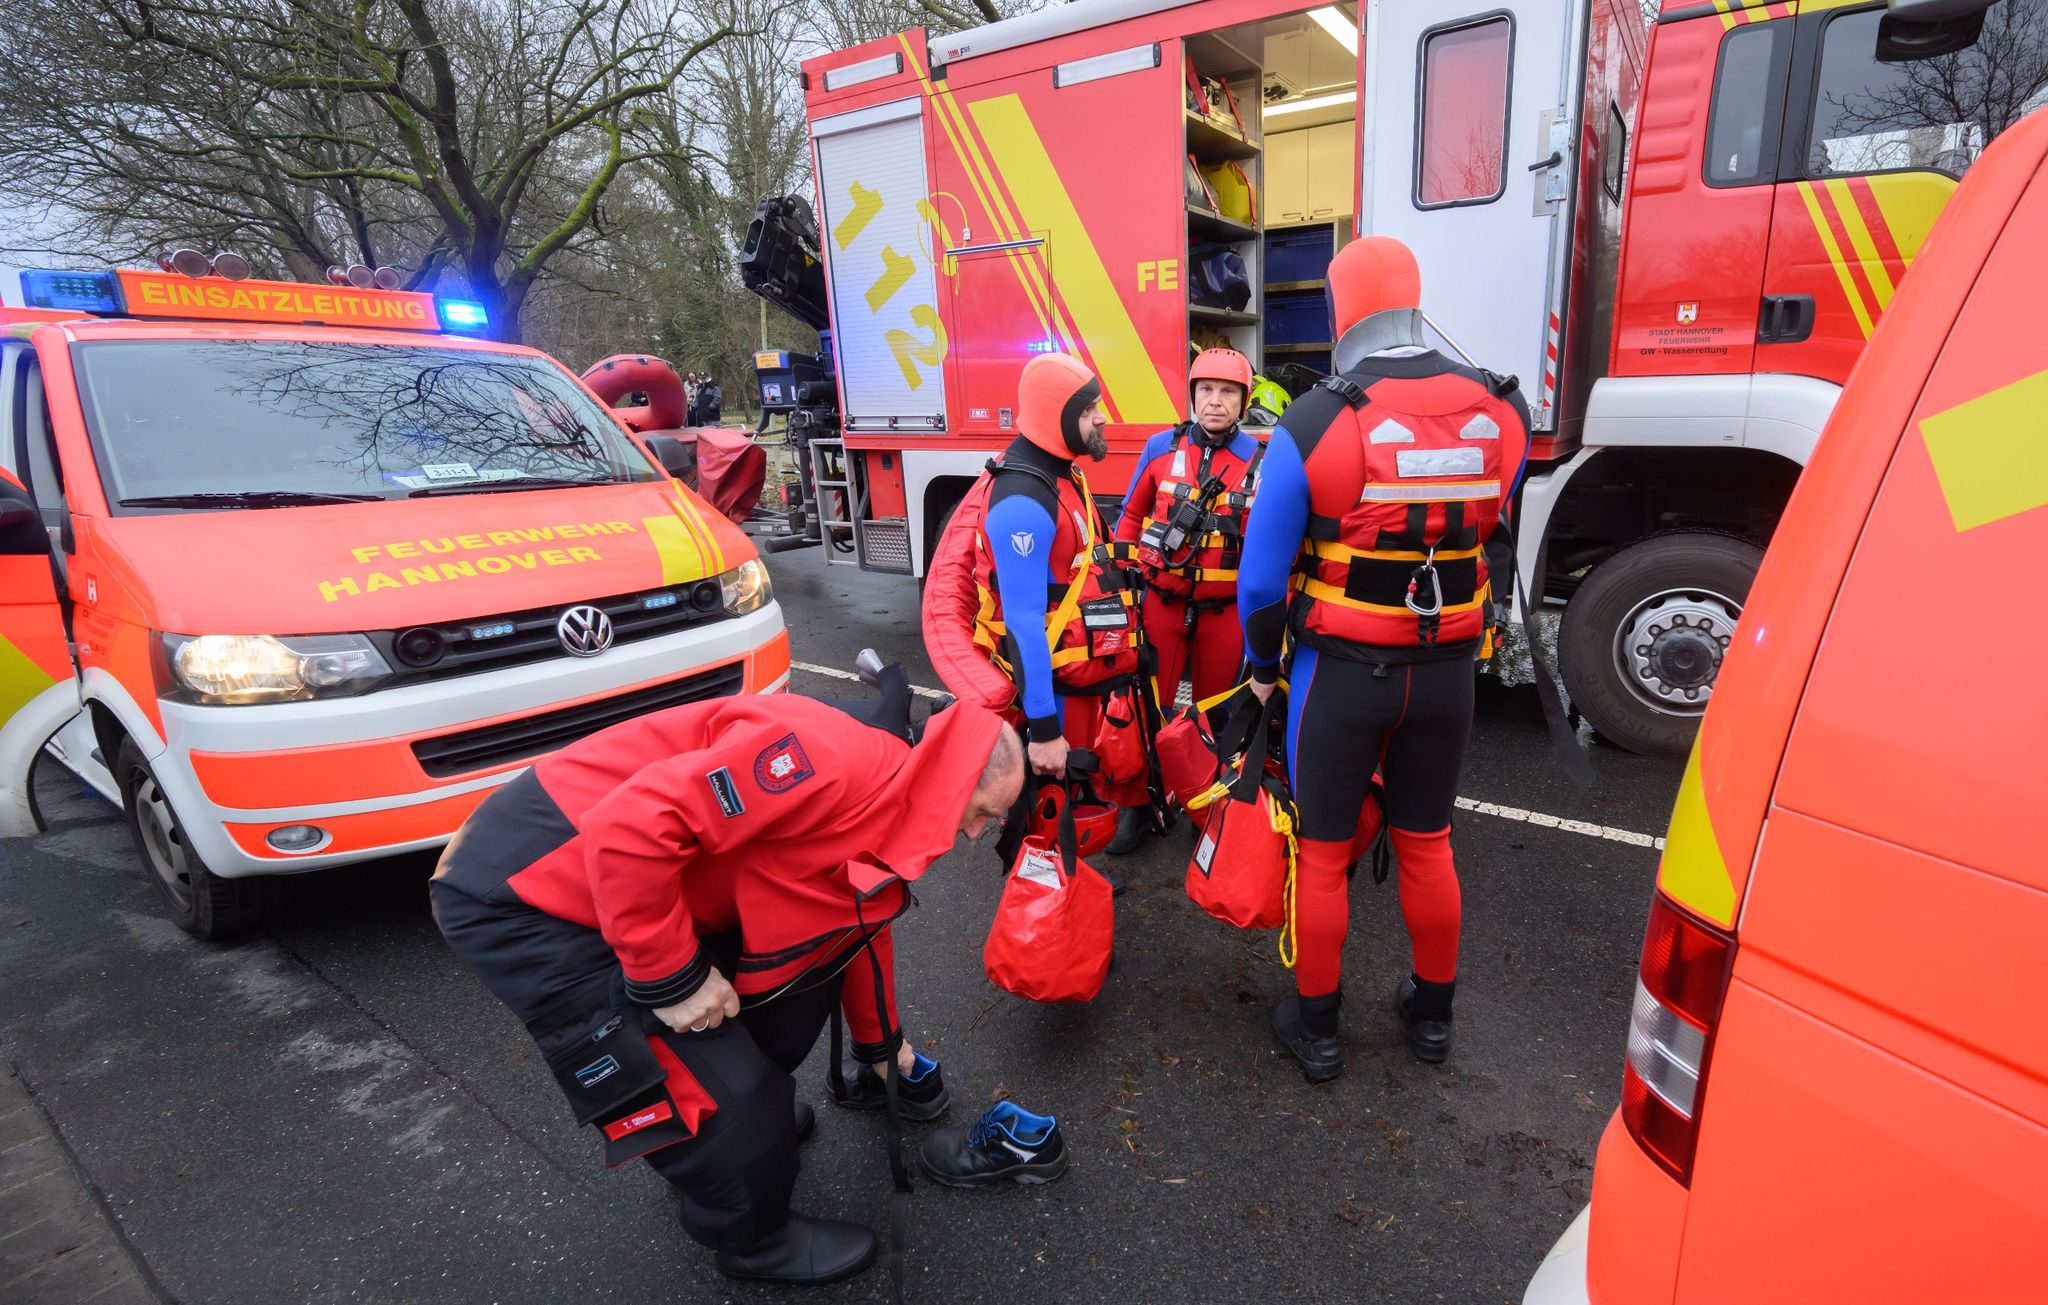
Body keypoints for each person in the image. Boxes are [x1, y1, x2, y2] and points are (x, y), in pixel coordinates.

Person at [430, 687, 1025, 1286]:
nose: (978, 835)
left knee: (787, 1012)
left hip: (640, 882)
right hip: (530, 890)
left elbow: (858, 927)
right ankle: (753, 1239)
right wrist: (670, 977)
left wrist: (884, 1050)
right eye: (983, 812)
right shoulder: (826, 760)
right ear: (951, 780)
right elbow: (627, 827)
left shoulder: (895, 795)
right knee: (725, 1104)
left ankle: (734, 1148)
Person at [1236, 235, 1530, 1082]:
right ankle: (1432, 1019)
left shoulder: (1315, 418)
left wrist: (1262, 666)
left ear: (1340, 307)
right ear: (1413, 298)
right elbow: (1486, 526)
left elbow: (1260, 581)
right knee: (1429, 843)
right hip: (1446, 674)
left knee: (1323, 853)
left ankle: (1319, 1030)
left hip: (1342, 673)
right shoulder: (1501, 409)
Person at [920, 353, 1143, 792]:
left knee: (1081, 809)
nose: (1100, 418)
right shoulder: (1023, 501)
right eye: (1086, 410)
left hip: (1079, 681)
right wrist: (1043, 730)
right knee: (1052, 821)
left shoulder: (1060, 473)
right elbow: (1023, 623)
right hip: (1054, 694)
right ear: (1052, 415)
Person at [1106, 346, 1264, 852]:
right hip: (1161, 604)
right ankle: (1137, 805)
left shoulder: (1262, 460)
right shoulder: (1159, 447)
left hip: (1225, 613)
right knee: (1146, 707)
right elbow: (1130, 520)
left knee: (1213, 715)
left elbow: (1273, 543)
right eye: (1206, 390)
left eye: (1227, 392)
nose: (1215, 401)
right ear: (1193, 395)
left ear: (1243, 401)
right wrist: (1121, 583)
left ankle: (1204, 806)